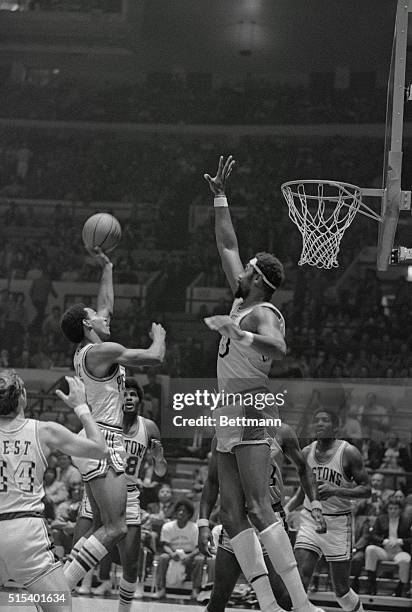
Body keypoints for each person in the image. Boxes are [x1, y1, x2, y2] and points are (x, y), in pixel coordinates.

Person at [203, 155, 323, 612]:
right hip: (226, 407)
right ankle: (268, 605)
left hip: (250, 405)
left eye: (246, 270)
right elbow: (227, 242)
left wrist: (241, 334)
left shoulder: (263, 313)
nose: (239, 271)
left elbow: (279, 348)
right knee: (230, 513)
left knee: (258, 506)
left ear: (257, 280)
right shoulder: (241, 302)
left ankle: (300, 603)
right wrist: (219, 194)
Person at [59, 247, 166, 592]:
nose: (105, 315)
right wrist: (160, 338)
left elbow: (105, 306)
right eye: (96, 315)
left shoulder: (87, 349)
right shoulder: (101, 351)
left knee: (103, 525)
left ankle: (62, 584)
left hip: (94, 439)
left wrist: (108, 267)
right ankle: (59, 585)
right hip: (103, 439)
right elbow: (152, 358)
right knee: (116, 527)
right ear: (88, 325)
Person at [0, 370, 108, 612]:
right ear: (23, 397)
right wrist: (82, 407)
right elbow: (100, 449)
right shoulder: (44, 430)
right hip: (25, 534)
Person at [198, 424, 326, 612]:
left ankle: (300, 605)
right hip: (236, 521)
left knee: (283, 597)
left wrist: (315, 503)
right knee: (217, 600)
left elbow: (304, 468)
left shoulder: (281, 431)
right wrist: (203, 523)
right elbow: (212, 481)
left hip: (268, 517)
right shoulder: (224, 435)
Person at [73, 377, 168, 610]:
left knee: (131, 564)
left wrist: (158, 457)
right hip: (100, 489)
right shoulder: (102, 422)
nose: (128, 397)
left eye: (133, 394)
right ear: (117, 398)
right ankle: (60, 599)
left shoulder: (150, 428)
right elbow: (77, 449)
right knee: (76, 553)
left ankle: (123, 609)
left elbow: (161, 470)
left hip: (130, 494)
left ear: (139, 401)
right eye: (124, 394)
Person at [287, 408, 371, 612]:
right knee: (300, 579)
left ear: (336, 426)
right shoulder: (306, 452)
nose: (319, 424)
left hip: (338, 523)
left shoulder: (349, 452)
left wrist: (336, 490)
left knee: (341, 592)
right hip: (310, 520)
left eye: (325, 420)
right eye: (317, 420)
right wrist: (287, 508)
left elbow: (367, 490)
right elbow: (303, 490)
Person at [154, 498, 206, 600]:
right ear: (175, 512)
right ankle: (161, 590)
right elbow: (165, 545)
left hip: (189, 555)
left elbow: (198, 548)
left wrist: (189, 556)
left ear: (189, 514)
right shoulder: (167, 526)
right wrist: (172, 554)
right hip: (172, 554)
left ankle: (195, 591)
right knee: (163, 557)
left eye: (184, 511)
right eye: (179, 510)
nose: (181, 513)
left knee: (199, 560)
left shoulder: (195, 528)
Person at [365, 497, 412, 597]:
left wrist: (401, 541)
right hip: (384, 551)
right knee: (370, 549)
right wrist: (384, 541)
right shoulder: (381, 519)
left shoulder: (407, 521)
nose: (393, 511)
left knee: (405, 560)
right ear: (387, 509)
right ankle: (371, 584)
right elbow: (373, 535)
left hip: (400, 551)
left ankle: (400, 588)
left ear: (400, 509)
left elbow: (410, 538)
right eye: (390, 508)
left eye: (395, 508)